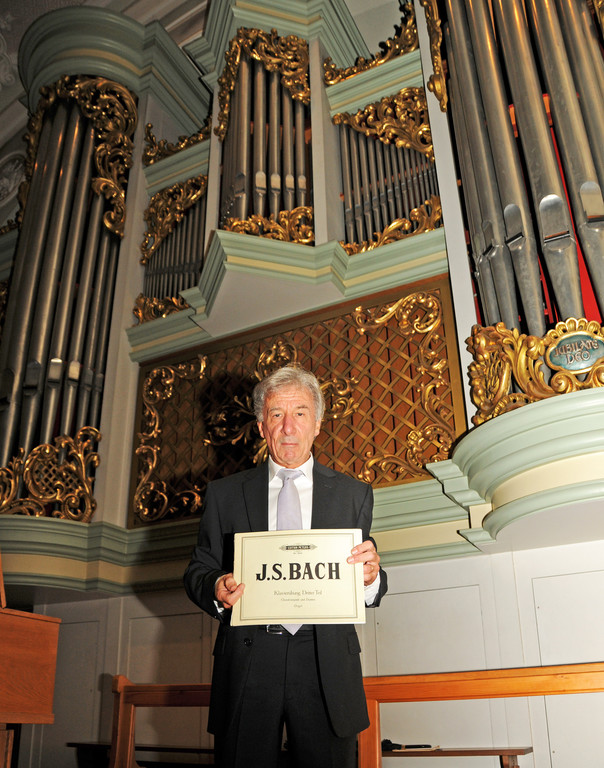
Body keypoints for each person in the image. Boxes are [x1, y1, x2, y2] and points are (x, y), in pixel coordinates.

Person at [184, 364, 388, 768]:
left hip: (326, 661)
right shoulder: (225, 495)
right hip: (248, 658)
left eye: (300, 413)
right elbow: (197, 571)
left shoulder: (353, 495)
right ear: (262, 427)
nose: (288, 427)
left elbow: (372, 580)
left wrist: (369, 578)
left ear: (318, 424)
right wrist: (216, 587)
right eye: (276, 414)